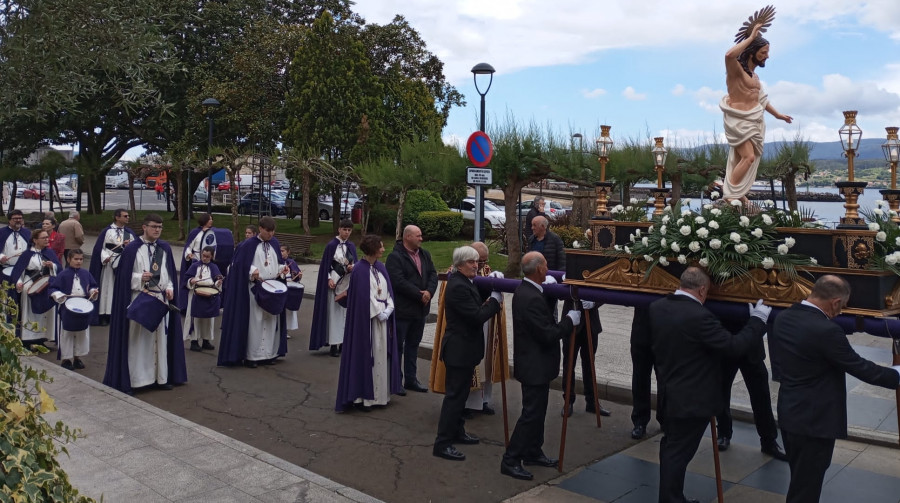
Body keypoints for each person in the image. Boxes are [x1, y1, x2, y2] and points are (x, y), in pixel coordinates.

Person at [773, 275, 900, 503]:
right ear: (835, 302)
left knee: (800, 479)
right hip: (815, 423)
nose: (841, 312)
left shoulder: (784, 317)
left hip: (790, 413)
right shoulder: (827, 331)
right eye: (842, 306)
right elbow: (860, 367)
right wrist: (897, 374)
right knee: (806, 489)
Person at [650, 267, 770, 503]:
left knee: (671, 449)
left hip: (669, 392)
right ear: (703, 289)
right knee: (678, 454)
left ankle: (673, 497)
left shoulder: (657, 308)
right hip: (692, 400)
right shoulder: (700, 317)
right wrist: (757, 320)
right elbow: (734, 347)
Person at [500, 252, 579, 481]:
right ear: (540, 270)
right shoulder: (530, 297)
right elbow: (547, 334)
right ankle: (511, 459)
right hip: (534, 365)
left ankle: (533, 451)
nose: (548, 267)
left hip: (536, 365)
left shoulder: (529, 291)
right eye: (545, 264)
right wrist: (569, 321)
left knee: (538, 412)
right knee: (531, 414)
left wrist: (553, 298)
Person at [432, 246, 503, 461]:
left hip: (465, 349)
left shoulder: (464, 282)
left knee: (461, 396)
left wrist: (492, 282)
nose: (476, 266)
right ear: (461, 264)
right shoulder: (457, 286)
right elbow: (476, 315)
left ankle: (457, 430)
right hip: (458, 350)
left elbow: (476, 295)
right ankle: (442, 443)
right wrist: (494, 300)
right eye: (472, 262)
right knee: (454, 398)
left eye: (477, 262)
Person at [102, 213, 186, 394]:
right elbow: (123, 279)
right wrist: (141, 278)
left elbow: (168, 274)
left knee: (160, 341)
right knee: (138, 341)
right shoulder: (132, 249)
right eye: (154, 226)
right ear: (145, 227)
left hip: (160, 300)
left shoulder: (164, 248)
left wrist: (170, 287)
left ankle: (160, 378)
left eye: (160, 227)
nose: (157, 230)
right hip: (140, 299)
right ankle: (137, 380)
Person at [722, 24, 793, 202]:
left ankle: (739, 192)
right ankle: (731, 196)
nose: (767, 56)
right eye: (763, 52)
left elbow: (762, 100)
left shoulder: (754, 76)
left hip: (754, 121)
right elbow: (729, 55)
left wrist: (778, 115)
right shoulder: (736, 71)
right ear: (751, 51)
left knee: (742, 159)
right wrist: (751, 37)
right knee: (748, 157)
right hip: (739, 120)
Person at [334, 234, 403, 412]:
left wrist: (389, 307)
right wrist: (378, 312)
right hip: (367, 322)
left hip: (382, 320)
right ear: (372, 249)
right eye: (380, 247)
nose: (383, 249)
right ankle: (364, 397)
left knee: (381, 356)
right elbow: (364, 296)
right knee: (368, 355)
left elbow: (388, 290)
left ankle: (381, 395)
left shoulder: (381, 267)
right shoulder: (359, 270)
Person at [218, 216, 288, 368]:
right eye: (268, 231)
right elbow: (238, 265)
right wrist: (251, 270)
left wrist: (283, 269)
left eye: (273, 231)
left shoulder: (275, 244)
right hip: (255, 288)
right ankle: (252, 356)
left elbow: (278, 264)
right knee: (255, 323)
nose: (271, 234)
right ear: (261, 229)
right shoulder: (248, 245)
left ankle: (269, 354)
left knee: (270, 321)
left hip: (272, 288)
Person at [715, 316, 787, 460]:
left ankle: (768, 440)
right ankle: (723, 433)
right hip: (726, 340)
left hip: (751, 346)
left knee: (761, 395)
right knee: (721, 392)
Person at [386, 225, 438, 392]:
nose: (421, 238)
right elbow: (398, 281)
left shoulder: (424, 254)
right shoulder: (395, 257)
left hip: (420, 310)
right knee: (398, 346)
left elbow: (433, 274)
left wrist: (429, 292)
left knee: (413, 345)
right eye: (418, 236)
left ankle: (411, 379)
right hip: (403, 310)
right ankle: (395, 380)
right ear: (407, 237)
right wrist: (419, 294)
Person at [309, 219, 356, 356]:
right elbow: (326, 266)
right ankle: (334, 344)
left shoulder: (351, 246)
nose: (346, 233)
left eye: (349, 230)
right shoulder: (331, 245)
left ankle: (343, 343)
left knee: (345, 315)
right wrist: (328, 279)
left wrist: (352, 267)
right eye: (344, 229)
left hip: (346, 283)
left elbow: (354, 262)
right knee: (334, 314)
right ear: (339, 229)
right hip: (334, 283)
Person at [560, 296, 611, 418]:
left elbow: (604, 289)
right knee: (569, 363)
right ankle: (568, 400)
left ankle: (592, 401)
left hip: (591, 320)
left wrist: (595, 302)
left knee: (589, 364)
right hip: (572, 319)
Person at [49, 249, 98, 370]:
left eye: (81, 259)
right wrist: (59, 295)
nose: (79, 262)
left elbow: (92, 285)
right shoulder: (63, 274)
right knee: (67, 334)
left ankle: (77, 357)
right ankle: (66, 359)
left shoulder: (86, 274)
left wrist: (93, 291)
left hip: (83, 306)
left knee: (82, 333)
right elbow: (53, 288)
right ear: (69, 259)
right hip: (67, 306)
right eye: (76, 259)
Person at [11, 229, 60, 346]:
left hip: (46, 281)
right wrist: (19, 282)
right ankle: (28, 339)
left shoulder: (50, 252)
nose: (47, 240)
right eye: (44, 238)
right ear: (35, 240)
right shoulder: (26, 254)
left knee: (49, 307)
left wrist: (52, 265)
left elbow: (59, 267)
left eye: (47, 237)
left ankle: (43, 338)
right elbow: (18, 271)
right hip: (31, 282)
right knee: (27, 297)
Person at [89, 209, 135, 326]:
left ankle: (118, 314)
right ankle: (105, 314)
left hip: (123, 266)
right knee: (108, 289)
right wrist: (105, 257)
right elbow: (101, 249)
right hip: (109, 266)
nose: (128, 218)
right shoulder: (107, 231)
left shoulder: (129, 233)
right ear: (117, 217)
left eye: (128, 216)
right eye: (125, 216)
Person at [180, 247, 223, 352]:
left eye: (207, 257)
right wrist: (191, 281)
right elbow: (186, 280)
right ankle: (194, 341)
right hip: (196, 295)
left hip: (209, 296)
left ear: (212, 257)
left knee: (208, 320)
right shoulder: (195, 266)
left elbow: (217, 282)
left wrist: (218, 283)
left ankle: (206, 340)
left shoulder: (214, 267)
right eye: (203, 256)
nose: (204, 258)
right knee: (195, 319)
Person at [629, 306, 656, 440]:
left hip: (665, 329)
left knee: (666, 378)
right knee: (640, 377)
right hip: (642, 328)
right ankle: (640, 421)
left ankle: (666, 419)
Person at [0, 210, 32, 287]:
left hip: (25, 269)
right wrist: (1, 257)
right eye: (15, 218)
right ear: (9, 220)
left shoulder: (27, 232)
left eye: (20, 218)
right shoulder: (2, 232)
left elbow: (32, 248)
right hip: (7, 268)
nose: (18, 220)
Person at [280, 244, 303, 332]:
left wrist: (299, 276)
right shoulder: (278, 261)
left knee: (289, 310)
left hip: (291, 287)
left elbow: (297, 276)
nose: (281, 253)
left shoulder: (292, 262)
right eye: (280, 251)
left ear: (288, 252)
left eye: (283, 251)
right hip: (282, 286)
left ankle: (286, 329)